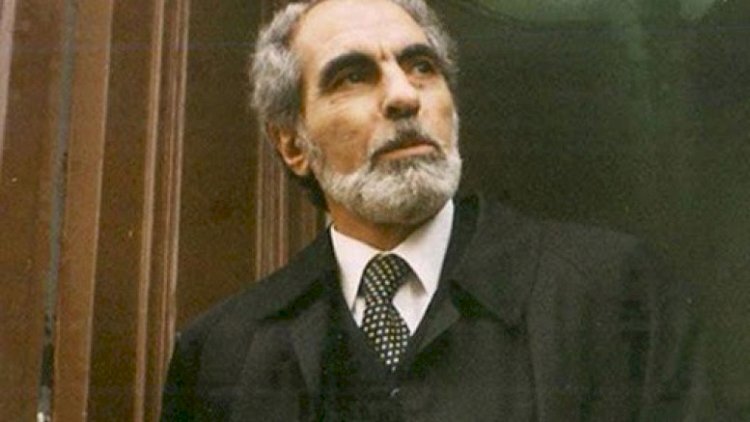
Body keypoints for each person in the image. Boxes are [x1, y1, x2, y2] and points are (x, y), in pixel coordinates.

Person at [161, 0, 706, 420]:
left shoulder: (614, 295)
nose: (405, 96)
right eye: (353, 76)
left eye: (422, 66)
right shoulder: (223, 354)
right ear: (292, 144)